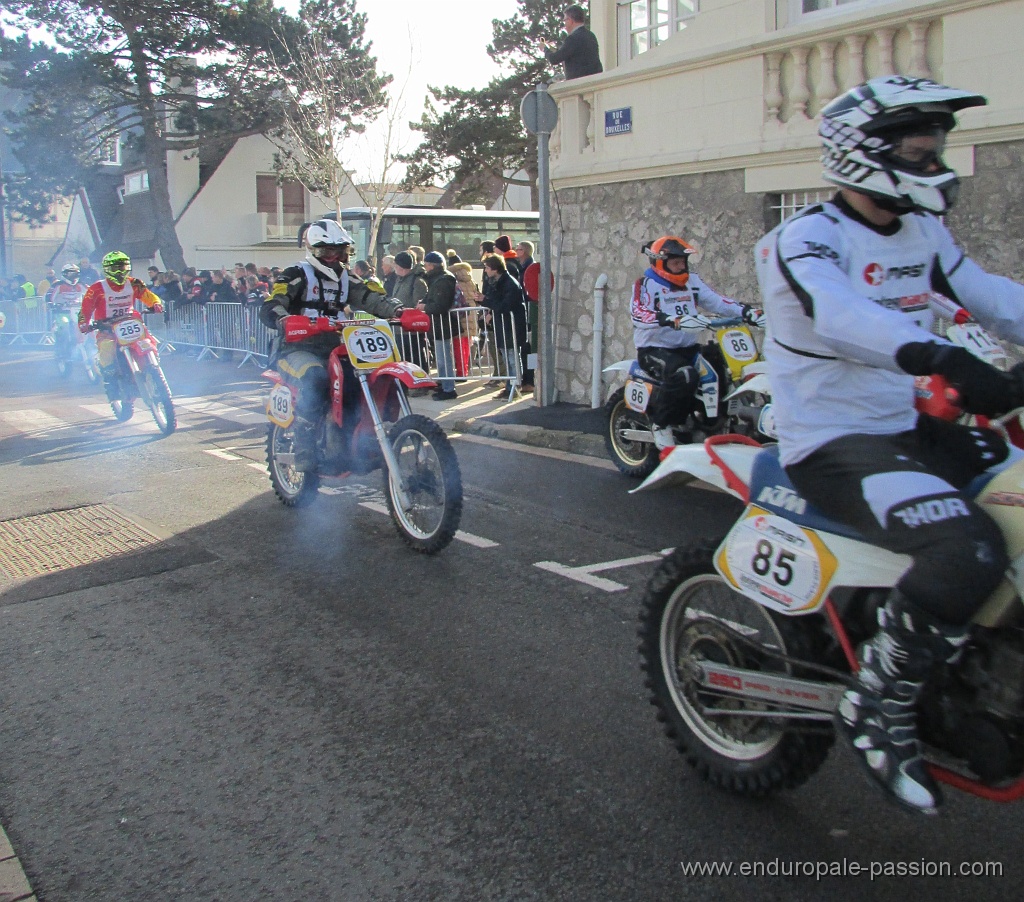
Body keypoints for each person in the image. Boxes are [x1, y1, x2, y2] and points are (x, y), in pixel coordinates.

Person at [754, 76, 1024, 815]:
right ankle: (879, 701)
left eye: (936, 145)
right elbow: (840, 317)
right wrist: (940, 358)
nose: (935, 159)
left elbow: (991, 296)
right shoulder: (802, 239)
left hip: (909, 426)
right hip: (833, 442)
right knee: (968, 548)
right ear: (865, 155)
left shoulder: (922, 231)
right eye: (918, 147)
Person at [259, 219, 401, 470]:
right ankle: (305, 448)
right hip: (297, 348)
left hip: (337, 346)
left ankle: (358, 439)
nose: (335, 257)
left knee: (366, 378)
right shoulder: (295, 274)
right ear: (313, 251)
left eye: (341, 251)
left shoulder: (348, 278)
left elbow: (373, 298)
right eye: (328, 251)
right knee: (315, 379)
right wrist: (284, 319)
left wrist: (401, 311)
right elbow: (272, 303)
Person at [631, 235, 754, 450]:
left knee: (720, 368)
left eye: (682, 263)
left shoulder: (692, 282)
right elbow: (638, 313)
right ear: (660, 263)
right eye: (675, 263)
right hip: (655, 350)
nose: (680, 267)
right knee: (685, 376)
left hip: (688, 348)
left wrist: (746, 311)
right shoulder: (646, 285)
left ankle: (713, 423)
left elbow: (717, 301)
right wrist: (666, 319)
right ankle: (661, 425)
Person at [78, 251, 163, 401]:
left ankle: (153, 369)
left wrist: (156, 303)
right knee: (106, 348)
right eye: (115, 268)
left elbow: (148, 295)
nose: (119, 272)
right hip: (107, 328)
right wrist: (84, 323)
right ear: (106, 270)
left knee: (149, 341)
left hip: (130, 323)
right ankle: (111, 383)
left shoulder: (134, 283)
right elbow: (85, 308)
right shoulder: (96, 288)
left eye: (122, 267)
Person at [482, 253, 527, 399]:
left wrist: (486, 301)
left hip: (512, 326)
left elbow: (504, 306)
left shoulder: (509, 284)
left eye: (487, 268)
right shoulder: (496, 282)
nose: (485, 271)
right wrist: (483, 300)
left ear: (495, 269)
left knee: (512, 356)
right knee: (506, 355)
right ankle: (510, 386)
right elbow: (496, 302)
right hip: (503, 325)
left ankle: (514, 386)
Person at [418, 251, 459, 401]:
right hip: (438, 324)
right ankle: (444, 384)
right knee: (441, 357)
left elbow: (440, 305)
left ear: (432, 265)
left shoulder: (443, 280)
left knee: (444, 358)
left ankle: (449, 389)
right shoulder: (438, 279)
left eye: (426, 265)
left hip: (443, 324)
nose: (425, 269)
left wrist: (424, 307)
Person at [544, 5, 602, 81]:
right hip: (594, 81)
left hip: (578, 84)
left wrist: (545, 49)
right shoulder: (591, 36)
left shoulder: (573, 38)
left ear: (570, 20)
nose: (564, 24)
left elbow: (554, 59)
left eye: (565, 20)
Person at [450, 261, 481, 378]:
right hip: (471, 313)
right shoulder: (470, 279)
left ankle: (461, 371)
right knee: (467, 344)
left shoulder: (455, 281)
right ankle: (465, 369)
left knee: (458, 344)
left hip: (460, 315)